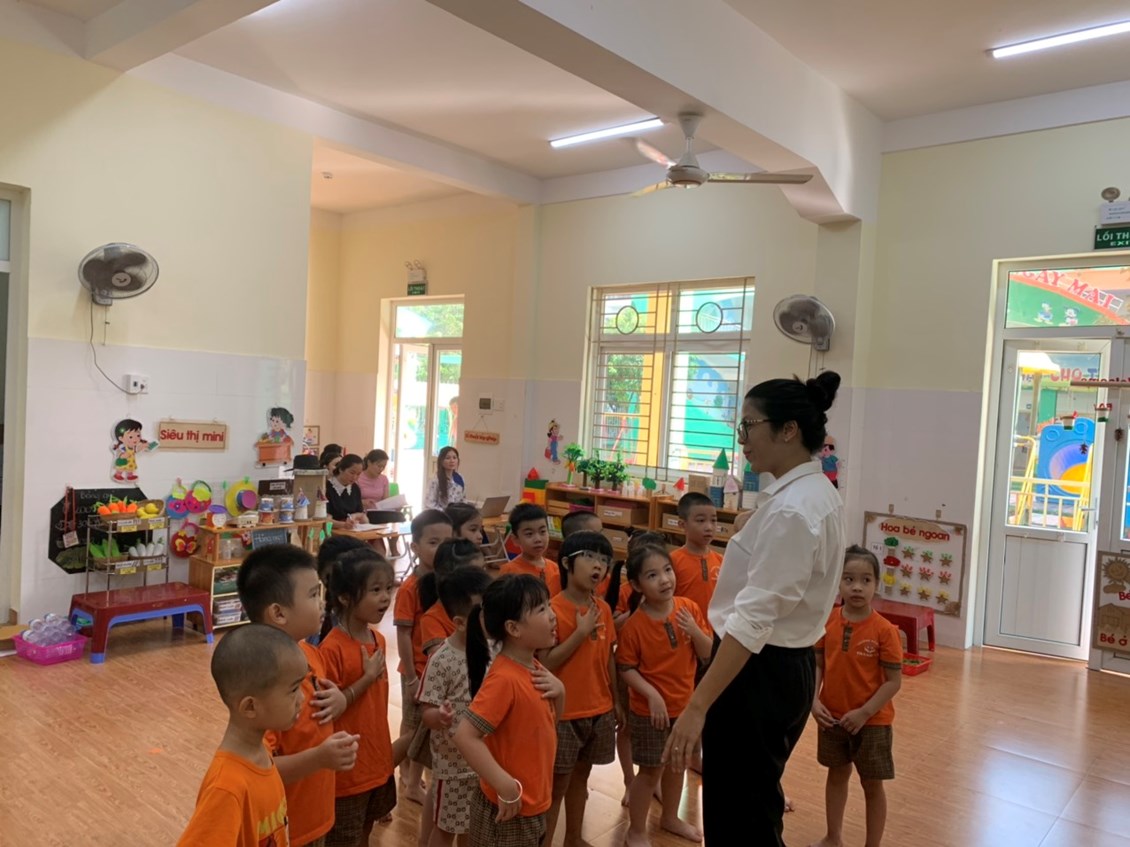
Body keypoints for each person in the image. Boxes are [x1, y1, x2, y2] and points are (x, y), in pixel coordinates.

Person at [664, 371, 846, 847]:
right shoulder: (811, 494)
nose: (741, 438)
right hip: (782, 667)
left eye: (749, 425)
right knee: (752, 809)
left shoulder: (792, 510)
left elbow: (752, 621)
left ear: (788, 430)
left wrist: (697, 705)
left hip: (756, 672)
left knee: (740, 823)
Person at [237, 546, 359, 847]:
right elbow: (257, 769)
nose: (323, 602)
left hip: (317, 815)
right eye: (313, 594)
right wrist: (320, 758)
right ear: (279, 613)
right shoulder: (262, 682)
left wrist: (340, 700)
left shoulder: (309, 653)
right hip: (283, 828)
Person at [453, 575, 564, 847]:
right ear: (513, 628)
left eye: (549, 605)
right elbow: (465, 736)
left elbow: (550, 723)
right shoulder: (505, 678)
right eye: (542, 609)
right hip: (509, 810)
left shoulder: (534, 667)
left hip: (533, 802)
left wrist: (560, 691)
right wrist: (505, 785)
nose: (552, 615)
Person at [617, 544, 712, 846]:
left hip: (684, 708)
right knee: (649, 772)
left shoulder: (689, 607)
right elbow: (625, 667)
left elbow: (707, 652)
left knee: (677, 765)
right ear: (636, 585)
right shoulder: (634, 626)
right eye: (652, 575)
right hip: (651, 714)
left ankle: (670, 816)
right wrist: (651, 694)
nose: (664, 579)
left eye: (667, 570)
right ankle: (636, 830)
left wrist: (694, 630)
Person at [177, 623, 306, 846]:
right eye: (293, 690)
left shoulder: (262, 749)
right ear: (250, 707)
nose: (302, 698)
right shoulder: (227, 787)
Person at [319, 548, 412, 847]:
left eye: (388, 588)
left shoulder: (378, 639)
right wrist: (367, 677)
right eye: (375, 590)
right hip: (348, 773)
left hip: (376, 761)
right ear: (346, 597)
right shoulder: (332, 648)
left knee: (365, 832)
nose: (385, 598)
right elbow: (328, 711)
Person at [810, 546, 902, 847]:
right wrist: (813, 701)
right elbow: (818, 664)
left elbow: (893, 682)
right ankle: (832, 837)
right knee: (836, 775)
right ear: (838, 582)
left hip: (872, 722)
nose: (857, 587)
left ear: (877, 584)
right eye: (849, 579)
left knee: (872, 785)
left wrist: (864, 713)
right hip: (832, 718)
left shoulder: (885, 631)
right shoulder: (827, 621)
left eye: (865, 580)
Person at [538, 531, 622, 847]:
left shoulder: (603, 609)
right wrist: (580, 632)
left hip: (598, 709)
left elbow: (608, 656)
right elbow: (546, 662)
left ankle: (573, 839)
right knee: (556, 785)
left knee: (581, 778)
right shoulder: (552, 610)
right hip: (563, 713)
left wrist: (615, 700)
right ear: (566, 563)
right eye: (589, 557)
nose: (598, 565)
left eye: (604, 559)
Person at [416, 566, 495, 847]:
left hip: (486, 761)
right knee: (445, 828)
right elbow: (426, 710)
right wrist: (438, 715)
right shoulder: (442, 659)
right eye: (484, 612)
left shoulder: (495, 648)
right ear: (460, 623)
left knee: (473, 828)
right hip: (453, 768)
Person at [394, 510, 454, 807]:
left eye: (447, 542)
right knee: (412, 725)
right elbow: (404, 634)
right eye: (433, 542)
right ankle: (406, 776)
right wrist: (411, 678)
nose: (441, 549)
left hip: (438, 671)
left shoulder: (447, 582)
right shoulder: (410, 587)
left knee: (429, 726)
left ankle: (415, 775)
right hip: (417, 671)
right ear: (415, 547)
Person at [670, 492, 723, 620]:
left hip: (713, 629)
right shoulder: (672, 561)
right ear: (682, 525)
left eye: (713, 520)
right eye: (701, 520)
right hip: (683, 627)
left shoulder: (721, 561)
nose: (709, 527)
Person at [499, 503, 561, 596]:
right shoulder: (509, 571)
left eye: (542, 532)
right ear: (515, 539)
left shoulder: (555, 569)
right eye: (529, 534)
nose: (538, 539)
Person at [326, 454, 365, 526]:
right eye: (352, 473)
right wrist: (343, 524)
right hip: (332, 530)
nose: (355, 477)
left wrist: (355, 516)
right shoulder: (327, 488)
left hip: (351, 528)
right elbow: (325, 519)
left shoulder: (355, 488)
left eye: (358, 474)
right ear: (341, 469)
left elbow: (361, 513)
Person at [425, 446, 465, 510]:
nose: (452, 461)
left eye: (454, 458)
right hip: (439, 514)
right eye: (448, 458)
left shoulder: (460, 478)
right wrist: (445, 512)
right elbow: (429, 503)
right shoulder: (435, 479)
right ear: (441, 461)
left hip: (456, 514)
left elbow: (463, 499)